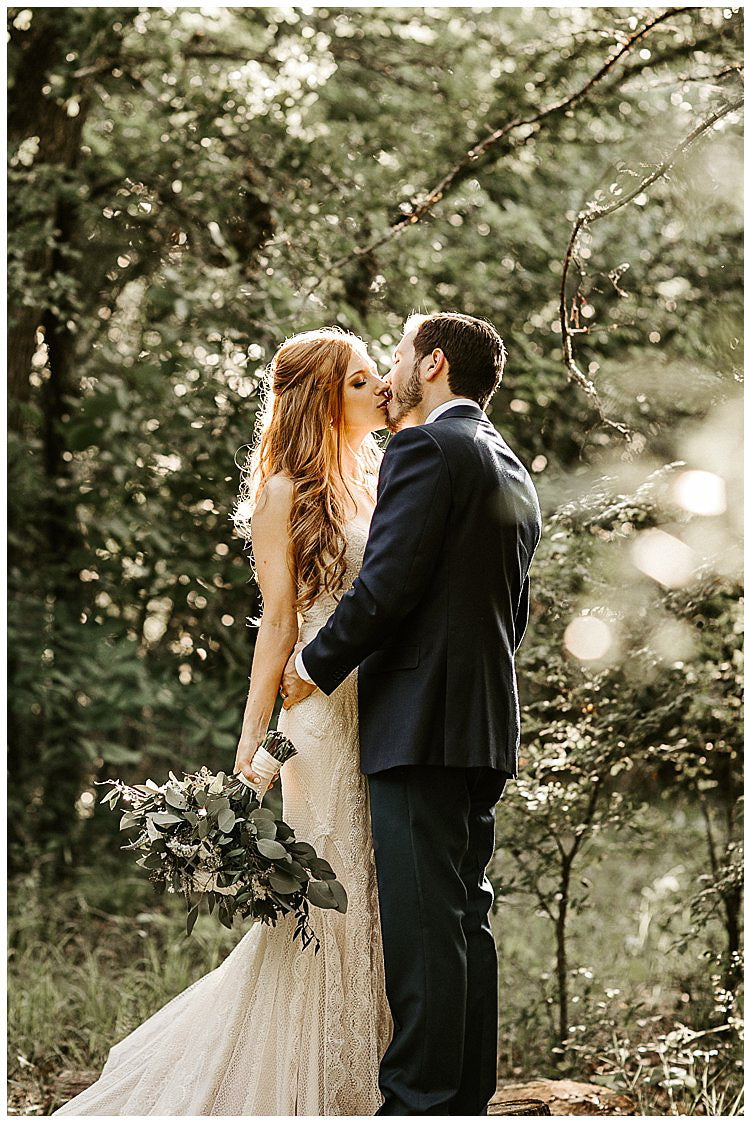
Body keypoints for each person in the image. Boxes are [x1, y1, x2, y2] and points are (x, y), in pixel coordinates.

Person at [58, 327, 395, 1114]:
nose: (380, 389)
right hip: (318, 720)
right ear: (320, 398)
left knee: (375, 897)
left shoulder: (378, 470)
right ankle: (306, 1089)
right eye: (358, 382)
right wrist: (251, 755)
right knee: (329, 898)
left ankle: (373, 1072)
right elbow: (277, 624)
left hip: (380, 705)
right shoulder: (283, 492)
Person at [280, 311, 541, 1115]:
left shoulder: (426, 448)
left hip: (421, 722)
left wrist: (311, 669)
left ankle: (419, 1102)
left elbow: (386, 585)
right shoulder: (509, 463)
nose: (388, 374)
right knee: (466, 919)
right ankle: (462, 1098)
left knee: (425, 929)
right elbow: (510, 610)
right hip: (483, 724)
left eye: (397, 356)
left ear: (431, 364)